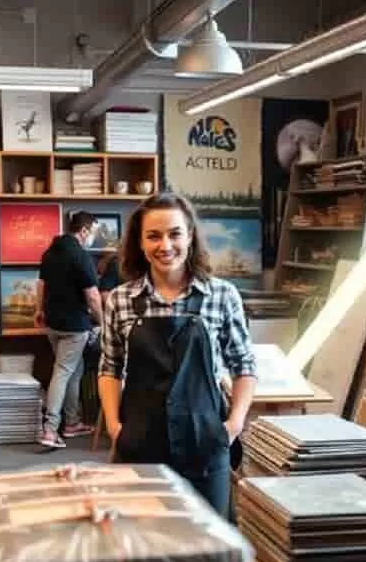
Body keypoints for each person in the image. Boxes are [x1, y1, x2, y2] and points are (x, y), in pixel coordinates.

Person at [98, 192, 257, 516]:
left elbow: (244, 365)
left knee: (209, 539)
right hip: (140, 446)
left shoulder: (222, 295)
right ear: (140, 242)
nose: (165, 245)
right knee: (143, 538)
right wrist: (114, 427)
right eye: (153, 236)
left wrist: (234, 425)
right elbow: (109, 368)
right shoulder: (120, 300)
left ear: (190, 236)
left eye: (174, 234)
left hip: (205, 445)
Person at [34, 211, 104, 449]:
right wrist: (102, 322)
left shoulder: (50, 252)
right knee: (63, 372)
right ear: (84, 231)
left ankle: (72, 423)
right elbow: (93, 296)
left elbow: (41, 284)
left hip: (53, 323)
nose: (93, 237)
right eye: (93, 232)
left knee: (74, 370)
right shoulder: (80, 256)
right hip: (75, 326)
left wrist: (39, 309)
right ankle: (51, 430)